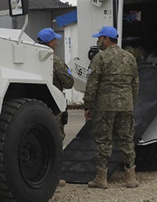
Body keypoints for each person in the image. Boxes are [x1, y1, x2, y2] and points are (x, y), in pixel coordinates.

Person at [83, 26, 139, 189]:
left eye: (99, 38)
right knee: (126, 139)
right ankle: (130, 177)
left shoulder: (100, 58)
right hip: (126, 104)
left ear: (106, 39)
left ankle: (101, 178)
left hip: (105, 106)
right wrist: (131, 101)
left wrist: (88, 105)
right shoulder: (130, 57)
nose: (98, 41)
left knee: (103, 140)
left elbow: (92, 83)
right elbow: (135, 83)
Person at [37, 27, 74, 137]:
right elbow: (69, 83)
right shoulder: (56, 61)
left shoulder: (31, 58)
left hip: (35, 104)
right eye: (55, 40)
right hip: (54, 104)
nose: (56, 43)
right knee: (55, 137)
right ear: (50, 42)